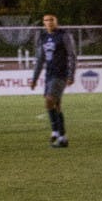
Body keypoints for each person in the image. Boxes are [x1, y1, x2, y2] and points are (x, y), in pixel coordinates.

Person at [29, 13, 76, 148]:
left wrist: (71, 75)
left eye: (51, 20)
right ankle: (62, 138)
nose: (49, 22)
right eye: (46, 20)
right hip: (49, 75)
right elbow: (40, 59)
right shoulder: (43, 37)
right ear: (43, 23)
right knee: (56, 106)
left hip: (60, 74)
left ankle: (55, 132)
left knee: (49, 101)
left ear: (56, 21)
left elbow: (72, 55)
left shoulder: (63, 35)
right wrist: (34, 79)